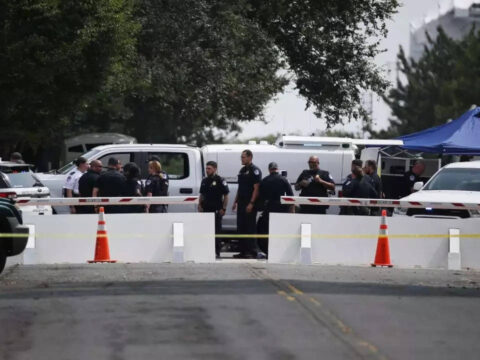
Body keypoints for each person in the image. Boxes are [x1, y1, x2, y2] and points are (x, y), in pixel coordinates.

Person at [232, 149, 265, 259]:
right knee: (241, 227)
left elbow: (256, 188)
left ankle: (252, 251)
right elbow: (240, 188)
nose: (242, 159)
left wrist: (251, 203)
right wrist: (235, 202)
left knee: (250, 227)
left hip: (249, 203)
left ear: (250, 157)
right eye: (241, 157)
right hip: (241, 202)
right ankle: (243, 251)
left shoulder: (254, 170)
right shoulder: (242, 170)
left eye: (243, 157)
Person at [257, 162, 294, 255]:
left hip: (268, 208)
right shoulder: (283, 179)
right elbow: (290, 195)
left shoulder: (265, 180)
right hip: (281, 209)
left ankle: (268, 252)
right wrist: (291, 209)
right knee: (280, 231)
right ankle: (280, 252)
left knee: (267, 231)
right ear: (277, 169)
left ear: (269, 169)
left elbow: (260, 196)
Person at [198, 161, 229, 257]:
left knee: (216, 231)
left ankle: (217, 251)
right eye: (206, 168)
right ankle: (207, 250)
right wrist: (199, 205)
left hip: (216, 209)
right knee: (206, 230)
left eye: (209, 168)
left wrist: (223, 208)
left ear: (215, 169)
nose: (207, 170)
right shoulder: (204, 181)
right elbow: (202, 194)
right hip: (206, 209)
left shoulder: (220, 180)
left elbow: (226, 195)